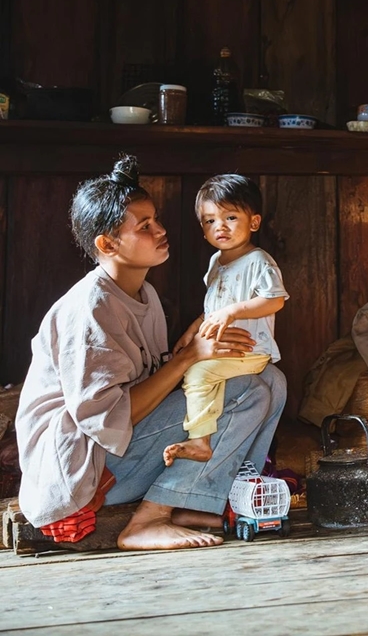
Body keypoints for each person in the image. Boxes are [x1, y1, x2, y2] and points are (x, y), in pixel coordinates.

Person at [15, 156, 286, 549]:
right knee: (245, 389)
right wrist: (189, 357)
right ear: (107, 244)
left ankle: (211, 495)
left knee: (272, 380)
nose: (160, 230)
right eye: (144, 227)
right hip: (87, 468)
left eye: (156, 220)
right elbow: (105, 421)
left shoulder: (146, 295)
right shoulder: (90, 309)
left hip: (127, 452)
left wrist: (196, 352)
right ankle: (150, 518)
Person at [163, 174, 288, 466]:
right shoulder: (216, 262)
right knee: (199, 372)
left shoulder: (259, 261)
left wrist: (234, 312)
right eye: (210, 221)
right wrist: (192, 331)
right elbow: (214, 306)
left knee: (197, 374)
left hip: (249, 349)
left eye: (230, 217)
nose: (220, 226)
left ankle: (200, 443)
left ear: (254, 222)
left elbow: (275, 299)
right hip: (222, 347)